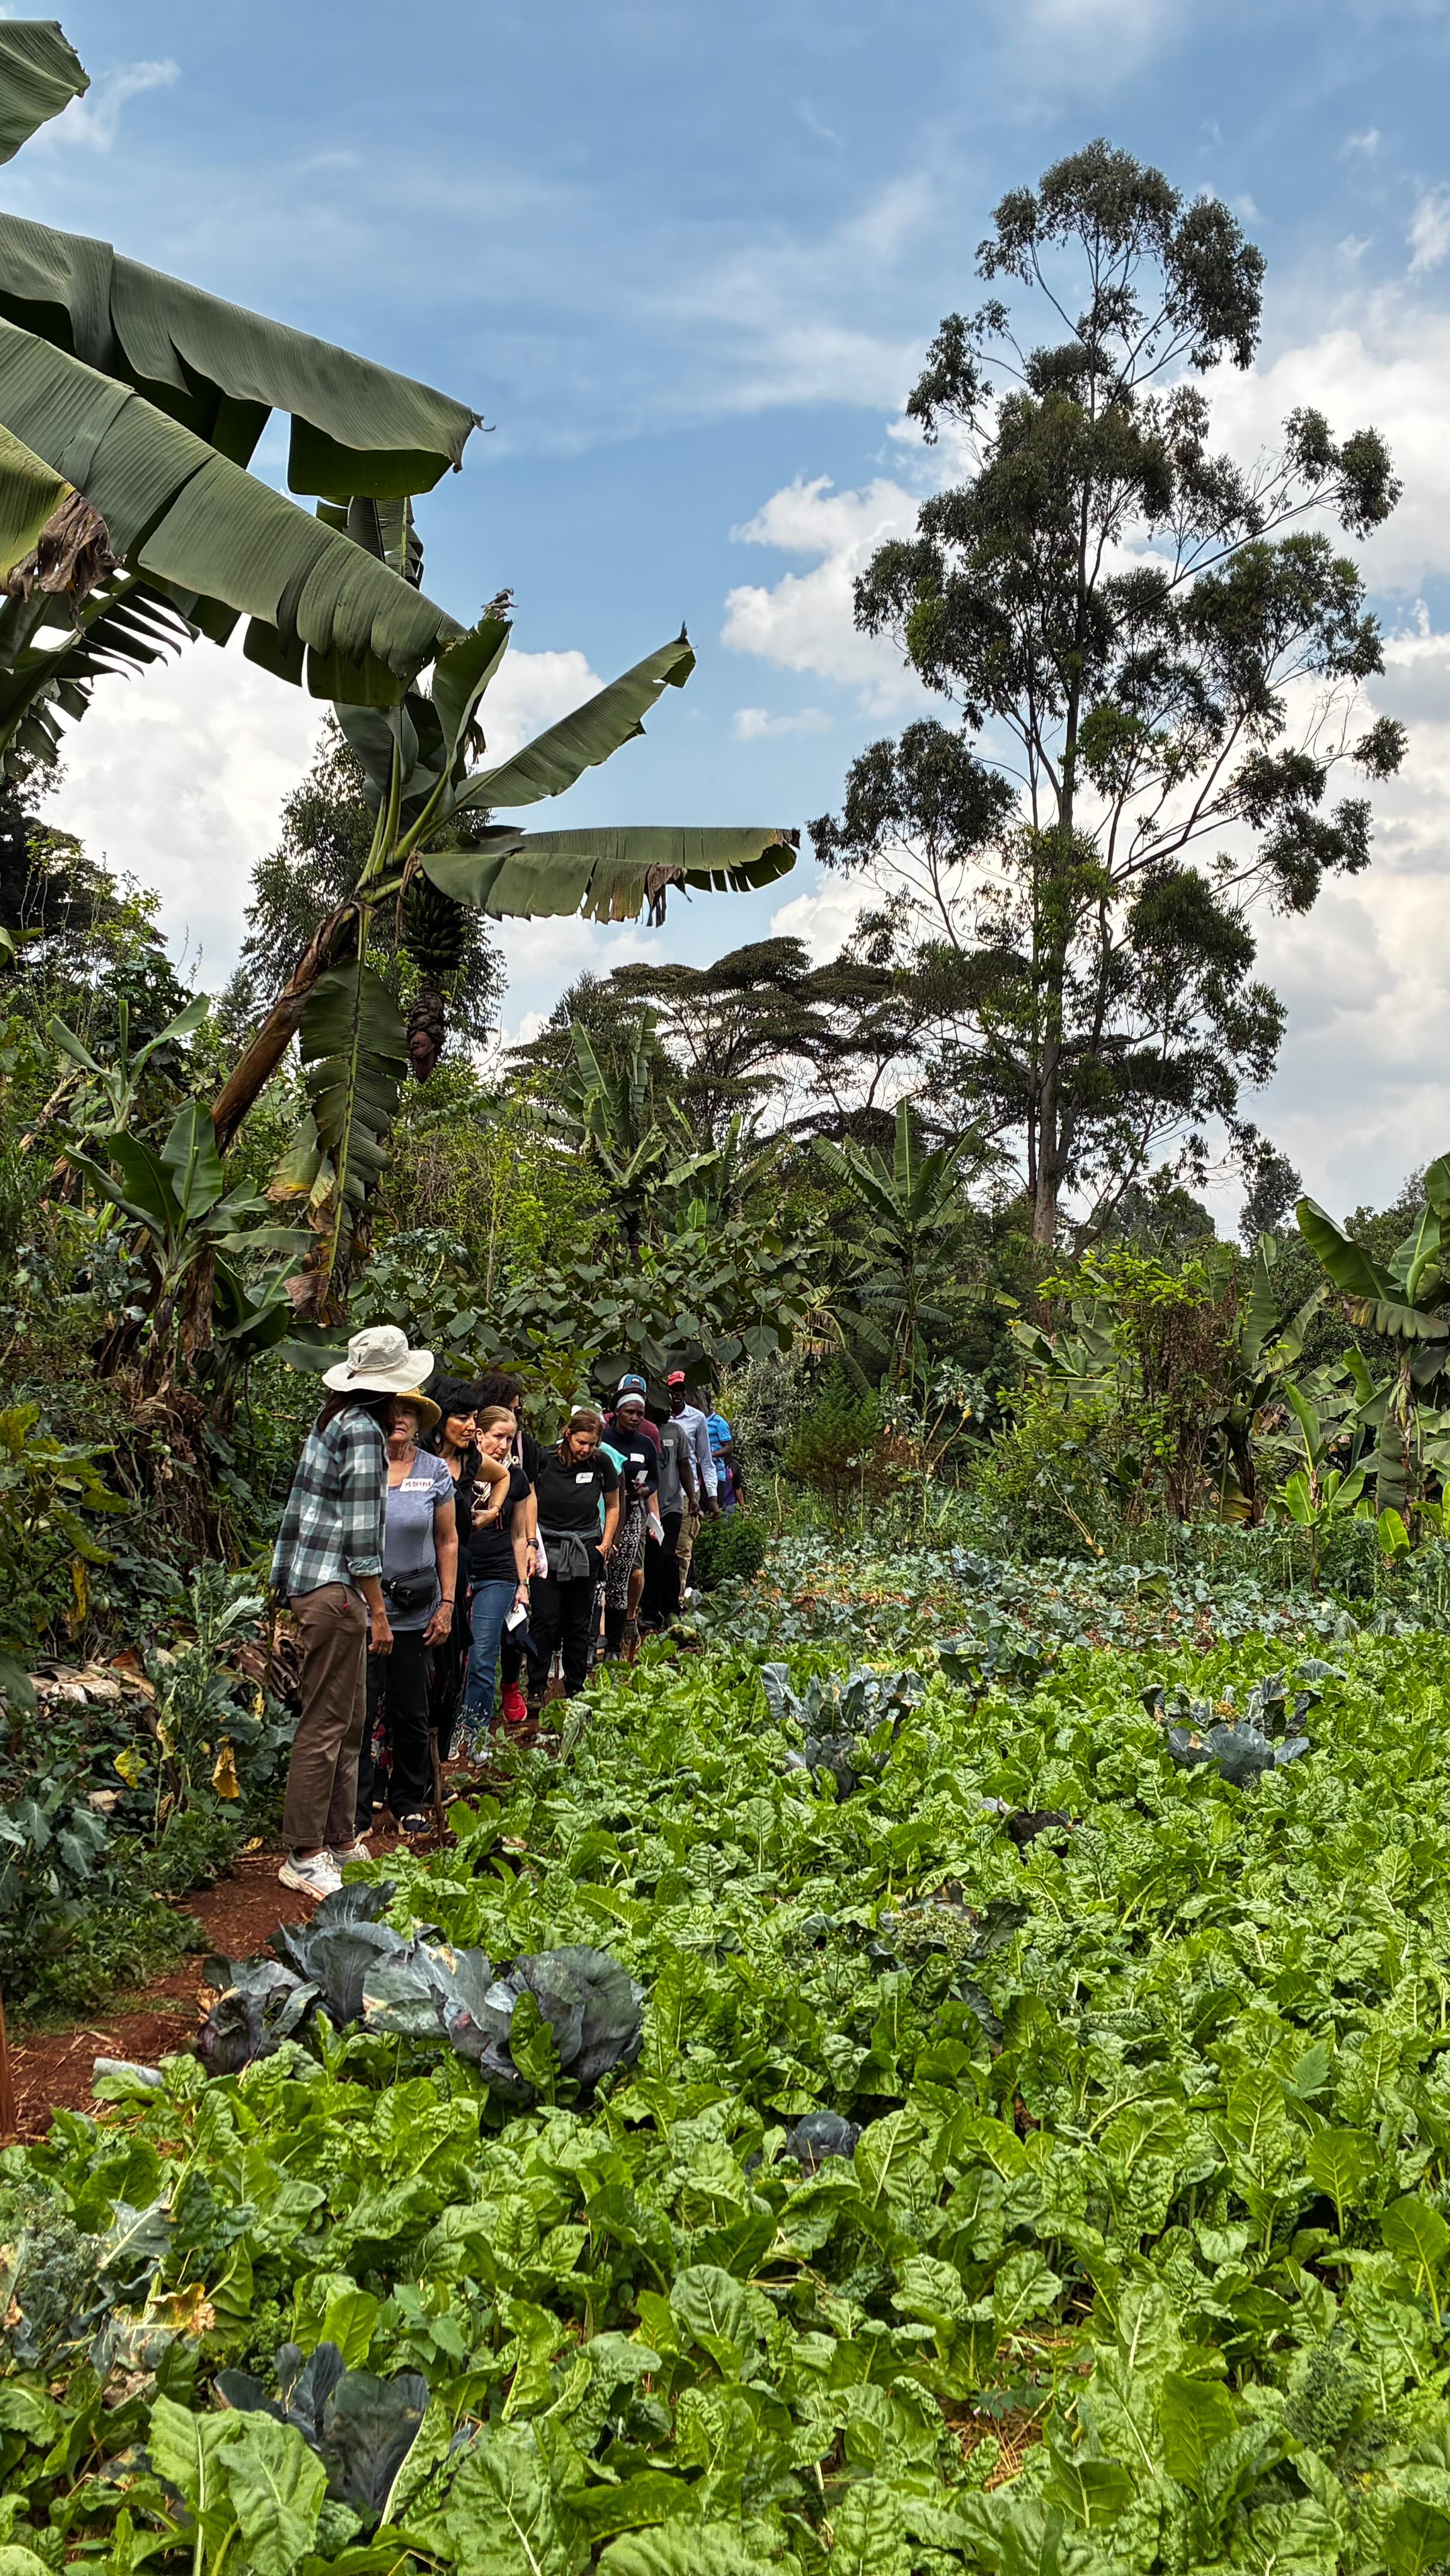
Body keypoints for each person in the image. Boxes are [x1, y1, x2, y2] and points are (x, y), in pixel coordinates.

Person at [269, 1322, 433, 1900]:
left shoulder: (332, 1421)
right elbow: (364, 1539)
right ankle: (305, 1852)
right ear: (390, 1390)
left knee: (351, 1717)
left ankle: (340, 1838)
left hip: (319, 1587)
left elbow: (299, 1513)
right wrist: (380, 1613)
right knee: (326, 1723)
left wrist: (283, 1586)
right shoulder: (363, 1433)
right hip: (339, 1591)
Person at [355, 1390, 458, 1839]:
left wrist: (448, 1604)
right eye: (392, 1412)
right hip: (362, 1613)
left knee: (412, 1711)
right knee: (359, 1714)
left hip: (416, 1613)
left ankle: (408, 1801)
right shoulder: (362, 1467)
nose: (399, 1420)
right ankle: (356, 1810)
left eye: (408, 1413)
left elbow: (448, 1540)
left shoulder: (434, 1471)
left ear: (419, 1422)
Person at [527, 1406, 620, 1702]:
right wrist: (531, 1542)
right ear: (568, 1435)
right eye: (582, 1442)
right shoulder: (544, 1459)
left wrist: (604, 1544)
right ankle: (536, 1687)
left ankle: (575, 1688)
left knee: (579, 1622)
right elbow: (528, 1499)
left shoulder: (601, 1463)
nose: (586, 1449)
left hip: (585, 1548)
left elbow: (614, 1505)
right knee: (544, 1619)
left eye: (592, 1444)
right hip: (548, 1548)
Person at [457, 1405, 533, 1756]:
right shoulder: (456, 1470)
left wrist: (522, 1584)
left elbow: (519, 1534)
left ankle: (475, 1736)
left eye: (509, 1438)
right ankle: (449, 1729)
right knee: (452, 1659)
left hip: (498, 1575)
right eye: (498, 1437)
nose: (504, 1445)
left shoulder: (514, 1479)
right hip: (455, 1572)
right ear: (479, 1435)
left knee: (483, 1654)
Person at [476, 1369, 541, 1726]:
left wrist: (530, 1541)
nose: (516, 1415)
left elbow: (527, 1495)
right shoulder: (461, 1457)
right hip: (471, 1556)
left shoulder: (522, 1448)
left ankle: (510, 1685)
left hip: (509, 1544)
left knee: (510, 1625)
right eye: (511, 1408)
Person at [422, 1378, 483, 1758]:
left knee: (449, 1672)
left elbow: (510, 1478)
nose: (471, 1426)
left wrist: (485, 1515)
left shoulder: (472, 1461)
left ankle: (435, 1763)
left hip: (457, 1576)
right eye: (462, 1417)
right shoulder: (419, 1462)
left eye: (474, 1418)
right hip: (417, 1572)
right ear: (441, 1419)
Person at [600, 1384, 658, 1658]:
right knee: (598, 1575)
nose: (635, 1418)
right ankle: (591, 1639)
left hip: (634, 1511)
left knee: (622, 1575)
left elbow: (655, 1478)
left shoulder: (645, 1444)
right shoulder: (602, 1441)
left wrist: (644, 1491)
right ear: (617, 1413)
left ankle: (615, 1643)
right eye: (630, 1412)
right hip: (603, 1510)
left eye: (640, 1414)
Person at [641, 1399, 697, 1630]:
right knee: (650, 1559)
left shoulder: (676, 1431)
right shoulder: (644, 1432)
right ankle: (649, 1610)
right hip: (647, 1507)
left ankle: (672, 1607)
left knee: (667, 1556)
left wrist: (693, 1497)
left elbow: (684, 1465)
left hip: (672, 1506)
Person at [666, 1371, 720, 1514]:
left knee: (685, 1536)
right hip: (661, 1493)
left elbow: (706, 1460)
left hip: (688, 1493)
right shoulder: (658, 1416)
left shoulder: (697, 1418)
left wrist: (712, 1496)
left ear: (686, 1393)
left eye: (681, 1389)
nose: (677, 1394)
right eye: (673, 1389)